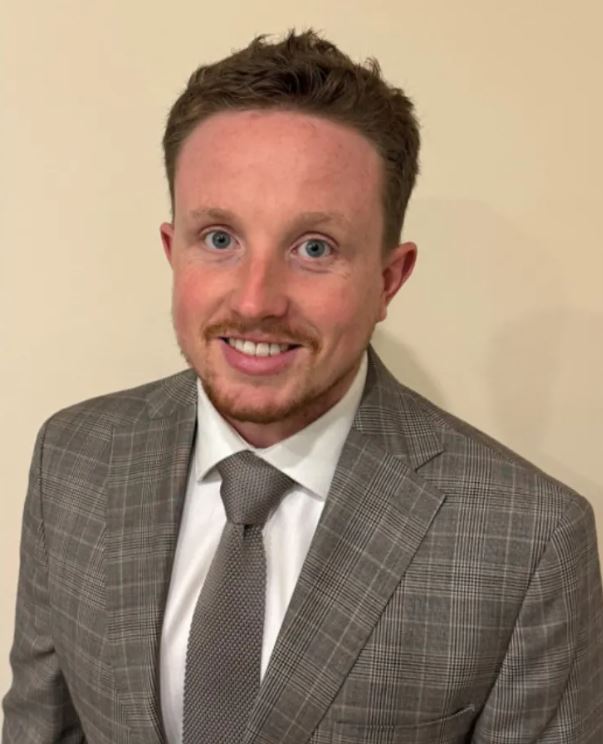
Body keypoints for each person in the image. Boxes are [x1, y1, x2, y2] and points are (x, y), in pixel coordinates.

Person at [3, 29, 602, 744]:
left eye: (314, 248)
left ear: (388, 279)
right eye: (219, 239)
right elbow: (40, 726)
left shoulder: (530, 541)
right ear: (173, 251)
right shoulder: (73, 457)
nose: (256, 300)